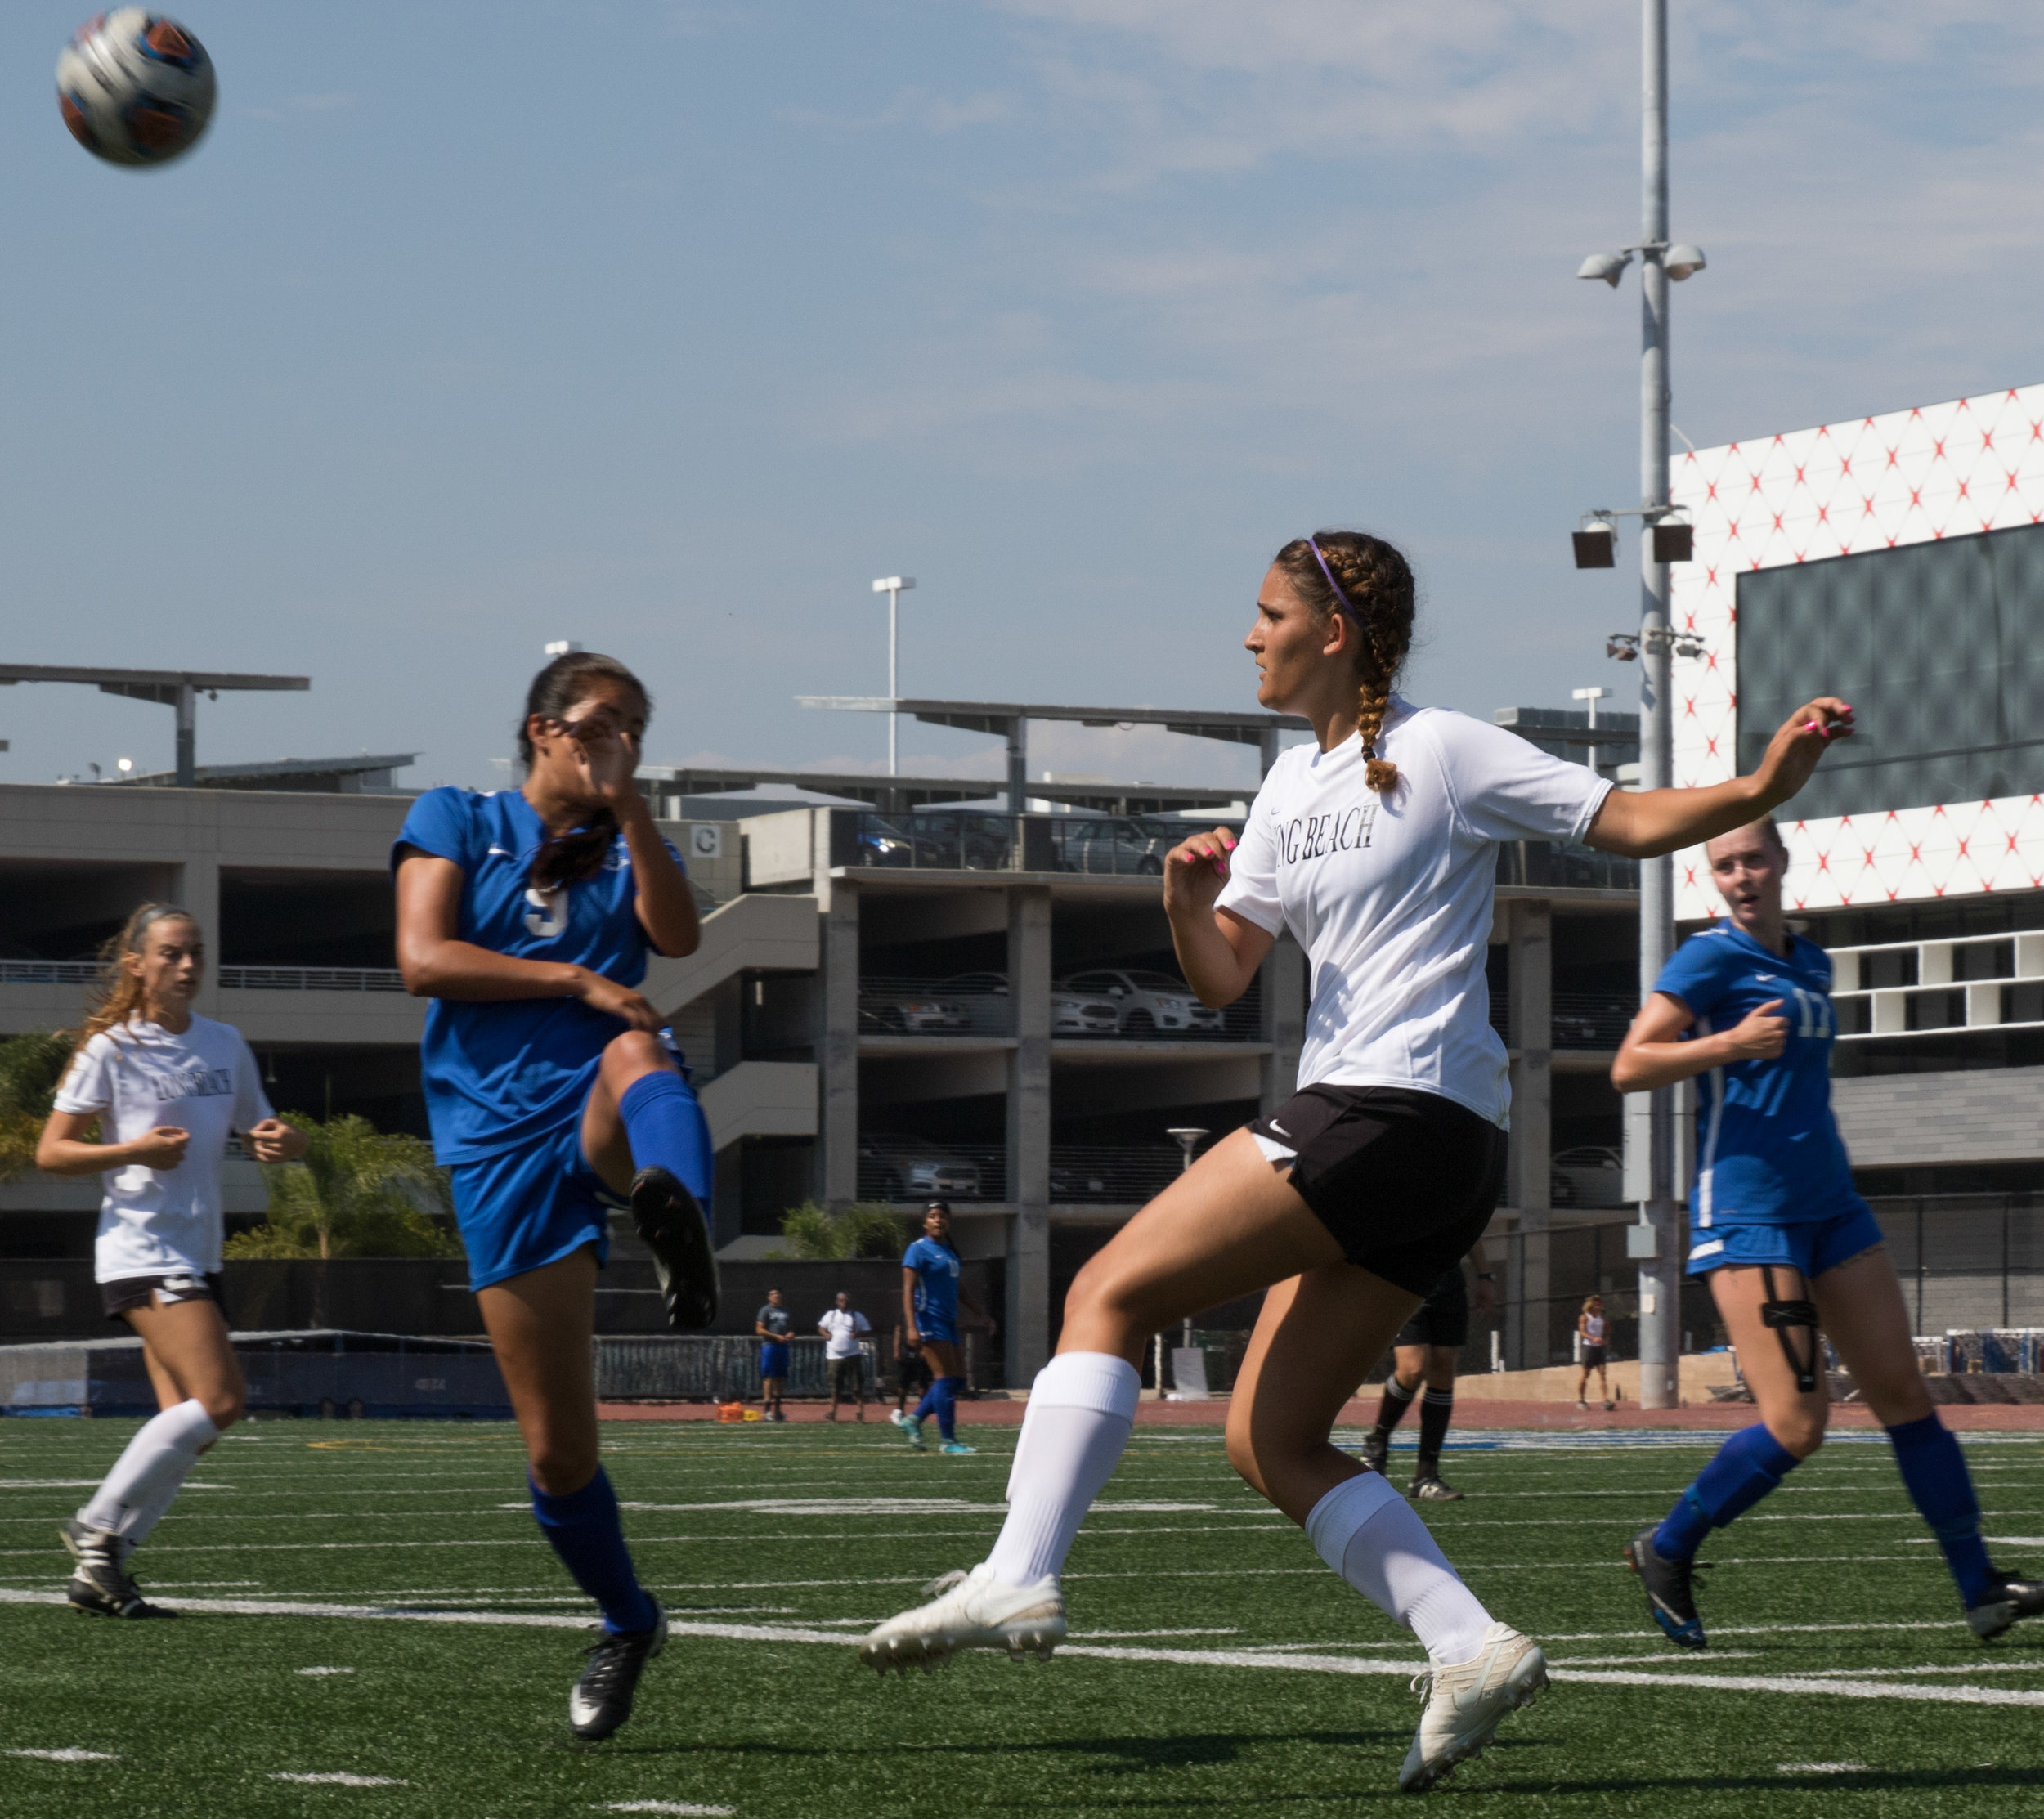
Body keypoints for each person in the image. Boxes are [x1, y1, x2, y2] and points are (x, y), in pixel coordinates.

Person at [858, 529, 1854, 1792]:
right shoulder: (1285, 787)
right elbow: (1223, 970)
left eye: (1267, 613)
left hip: (1395, 1112)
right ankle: (1469, 1642)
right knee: (1270, 1435)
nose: (1248, 635)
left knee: (1104, 1292)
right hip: (1418, 1146)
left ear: (1333, 630)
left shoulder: (1446, 749)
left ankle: (1019, 1570)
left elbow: (1628, 818)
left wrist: (1766, 780)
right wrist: (1181, 895)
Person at [1612, 816, 2044, 1651]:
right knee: (1797, 1424)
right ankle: (1666, 1545)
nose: (1739, 874)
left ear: (1780, 860)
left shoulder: (1812, 960)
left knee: (1905, 1398)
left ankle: (1979, 1586)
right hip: (1749, 1214)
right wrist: (1730, 1041)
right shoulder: (1707, 958)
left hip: (1833, 1207)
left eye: (1750, 858)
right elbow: (1630, 1062)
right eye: (1723, 864)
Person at [392, 648, 719, 1741]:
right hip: (494, 1141)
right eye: (597, 723)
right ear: (542, 729)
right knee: (558, 1451)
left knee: (639, 1045)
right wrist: (576, 976)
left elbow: (677, 937)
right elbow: (425, 958)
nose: (615, 740)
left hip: (595, 1097)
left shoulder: (632, 842)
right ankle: (628, 1620)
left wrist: (633, 813)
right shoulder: (456, 816)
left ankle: (679, 1208)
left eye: (634, 725)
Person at [37, 903, 307, 1619]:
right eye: (170, 954)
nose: (187, 966)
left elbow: (265, 1128)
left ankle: (105, 1568)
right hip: (141, 1248)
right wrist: (133, 1149)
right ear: (136, 964)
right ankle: (96, 1530)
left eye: (196, 953)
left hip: (197, 1250)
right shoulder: (111, 1048)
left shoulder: (225, 1042)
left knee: (193, 1425)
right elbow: (52, 1150)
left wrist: (285, 1140)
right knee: (222, 1402)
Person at [1361, 1241, 1496, 1501]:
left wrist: (1484, 1276)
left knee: (1443, 1372)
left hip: (1449, 1283)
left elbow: (1471, 1228)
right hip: (1404, 1280)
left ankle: (1425, 1476)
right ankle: (1376, 1443)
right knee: (1413, 1369)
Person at [892, 1201, 996, 1456]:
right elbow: (908, 1290)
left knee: (957, 1379)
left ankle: (913, 1420)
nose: (938, 1220)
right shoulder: (917, 1249)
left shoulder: (949, 1251)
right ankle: (948, 1441)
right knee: (944, 1379)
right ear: (925, 1222)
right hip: (929, 1320)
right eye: (933, 1216)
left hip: (948, 1322)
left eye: (943, 1216)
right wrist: (911, 1327)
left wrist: (981, 1314)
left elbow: (958, 1289)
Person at [818, 1289, 872, 1422]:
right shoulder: (830, 1315)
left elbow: (867, 1329)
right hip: (834, 1356)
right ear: (837, 1302)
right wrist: (825, 1334)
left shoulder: (856, 1315)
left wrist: (857, 1335)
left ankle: (860, 1412)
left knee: (856, 1386)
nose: (844, 1302)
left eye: (846, 1300)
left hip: (852, 1355)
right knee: (835, 1387)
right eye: (842, 1300)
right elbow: (821, 1327)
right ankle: (833, 1412)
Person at [755, 1288, 794, 1421]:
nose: (776, 1296)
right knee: (769, 1377)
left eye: (778, 1294)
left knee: (780, 1377)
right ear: (769, 1297)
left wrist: (789, 1335)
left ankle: (777, 1411)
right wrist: (775, 1336)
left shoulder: (785, 1311)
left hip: (782, 1347)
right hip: (770, 1346)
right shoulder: (765, 1310)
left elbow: (791, 1329)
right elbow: (759, 1329)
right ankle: (767, 1411)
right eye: (773, 1294)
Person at [1576, 1296, 1612, 1411]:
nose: (1599, 1306)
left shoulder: (1602, 1318)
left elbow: (1608, 1329)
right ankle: (1581, 1400)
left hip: (1599, 1348)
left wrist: (1605, 1338)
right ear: (1591, 1305)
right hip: (1588, 1347)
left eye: (1600, 1304)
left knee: (1602, 1374)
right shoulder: (1584, 1317)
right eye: (1597, 1304)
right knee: (1586, 1374)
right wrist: (1593, 1338)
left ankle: (1605, 1400)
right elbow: (1582, 1332)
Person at [893, 1322, 933, 1419]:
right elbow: (898, 1331)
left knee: (923, 1386)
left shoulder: (925, 1310)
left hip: (921, 1354)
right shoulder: (904, 1312)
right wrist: (896, 1350)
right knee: (903, 1385)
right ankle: (900, 1410)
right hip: (906, 1354)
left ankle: (922, 1413)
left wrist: (926, 1349)